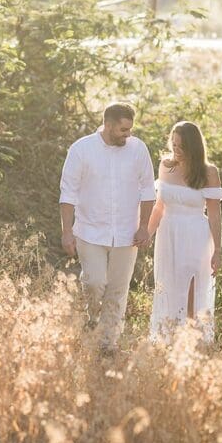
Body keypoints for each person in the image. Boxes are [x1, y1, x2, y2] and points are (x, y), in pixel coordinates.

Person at [59, 102, 156, 356]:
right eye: (123, 130)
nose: (128, 135)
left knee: (117, 289)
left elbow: (148, 190)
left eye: (130, 130)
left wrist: (144, 226)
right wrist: (67, 231)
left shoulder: (138, 149)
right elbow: (68, 193)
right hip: (90, 231)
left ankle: (107, 344)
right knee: (94, 282)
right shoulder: (81, 149)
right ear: (109, 125)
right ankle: (90, 321)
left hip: (127, 232)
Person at [147, 121, 222, 347]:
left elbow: (214, 215)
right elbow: (158, 207)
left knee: (192, 289)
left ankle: (191, 345)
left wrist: (218, 250)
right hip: (168, 235)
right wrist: (147, 234)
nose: (176, 150)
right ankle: (170, 343)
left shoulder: (208, 172)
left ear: (194, 147)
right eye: (174, 145)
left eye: (181, 146)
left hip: (196, 236)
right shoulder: (166, 166)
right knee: (169, 288)